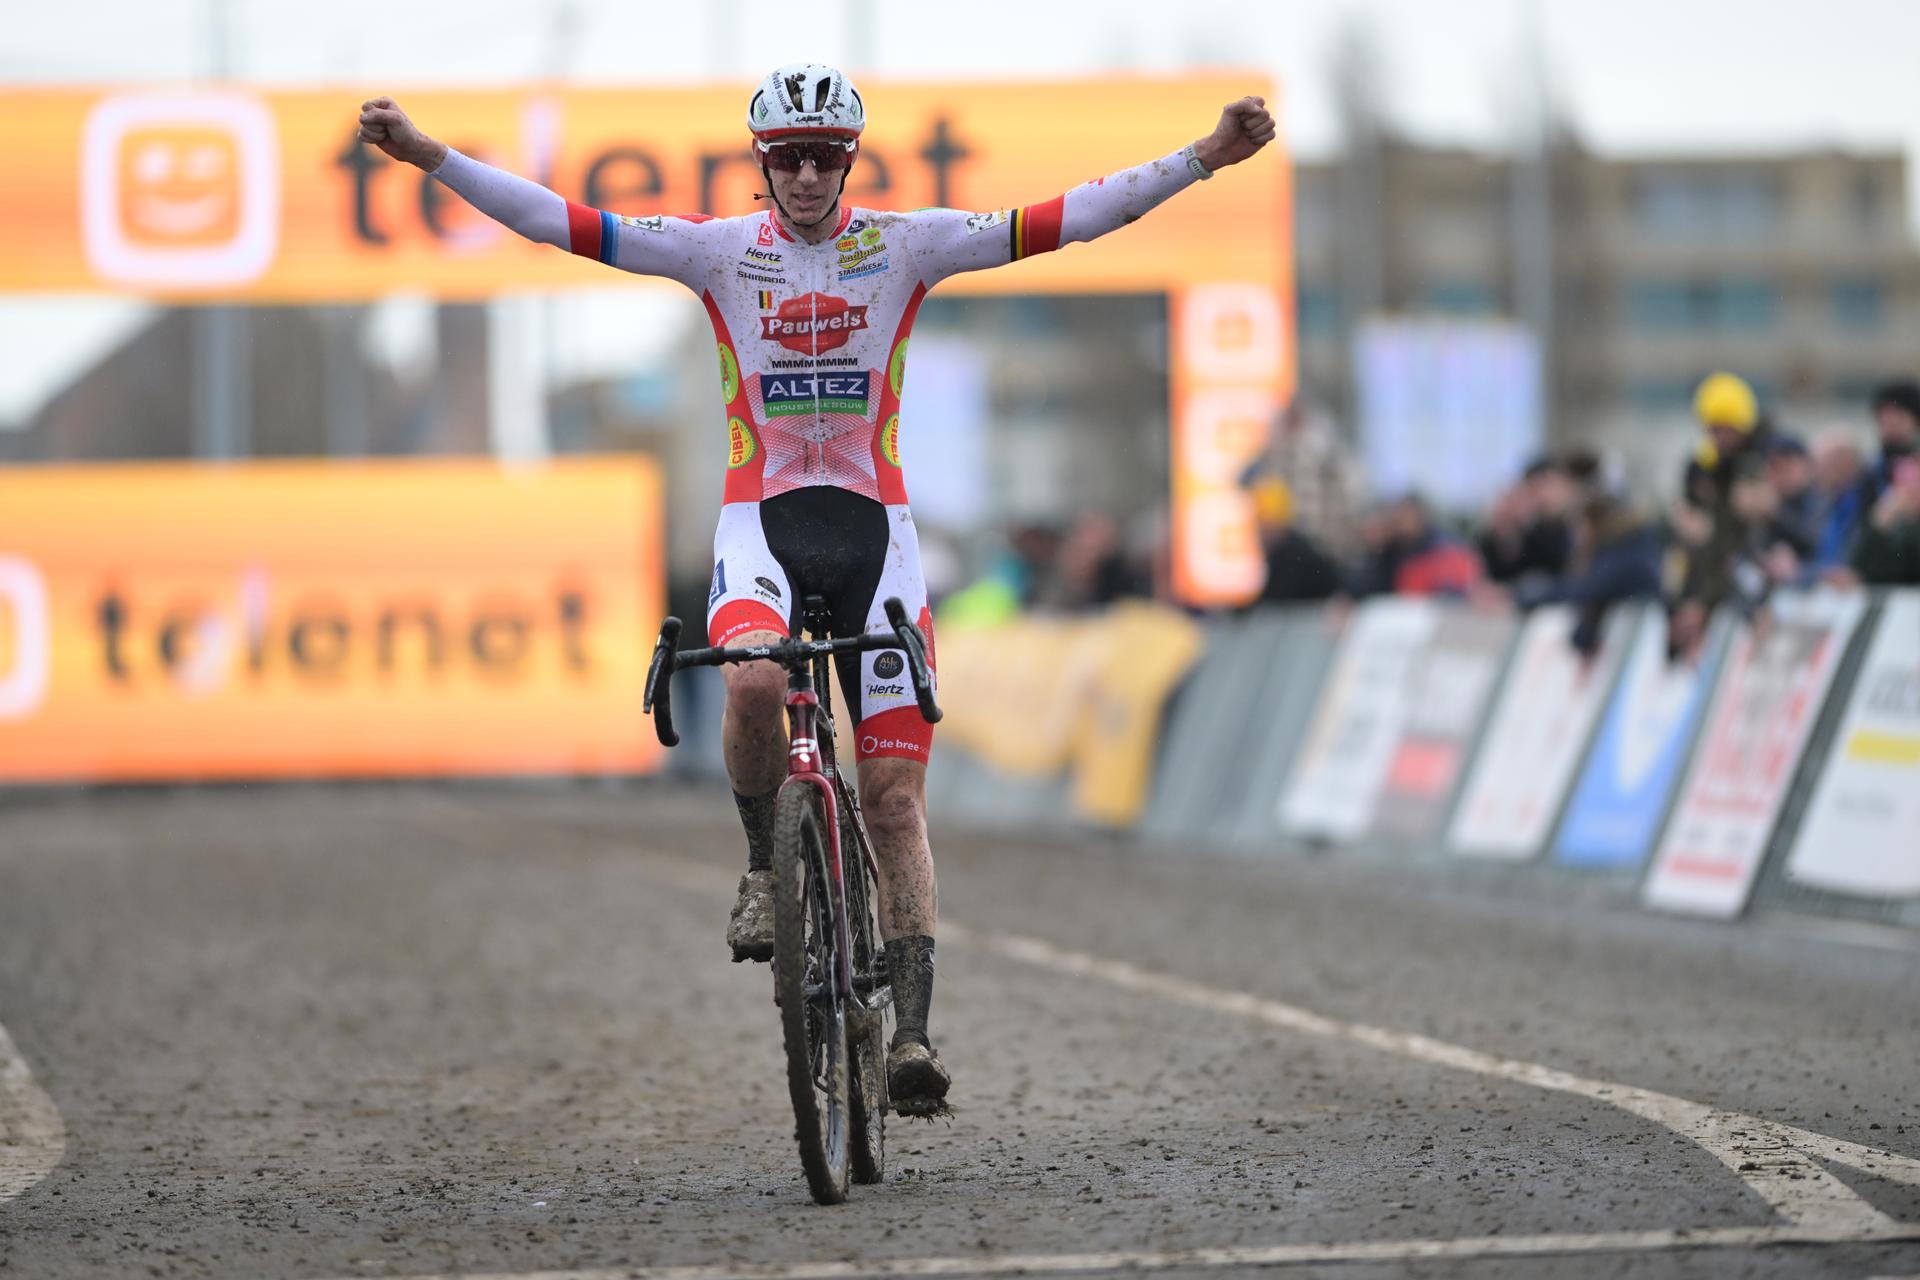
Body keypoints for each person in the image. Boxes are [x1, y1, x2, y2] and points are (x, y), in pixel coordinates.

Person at [357, 67, 1275, 1114]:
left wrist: (1204, 157)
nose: (803, 173)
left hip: (878, 535)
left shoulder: (908, 245)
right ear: (762, 163)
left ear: (850, 159)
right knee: (750, 686)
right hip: (762, 525)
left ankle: (913, 1033)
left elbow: (1062, 220)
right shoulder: (717, 253)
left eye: (823, 155)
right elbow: (562, 223)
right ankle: (763, 865)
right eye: (786, 155)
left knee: (890, 799)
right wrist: (430, 155)